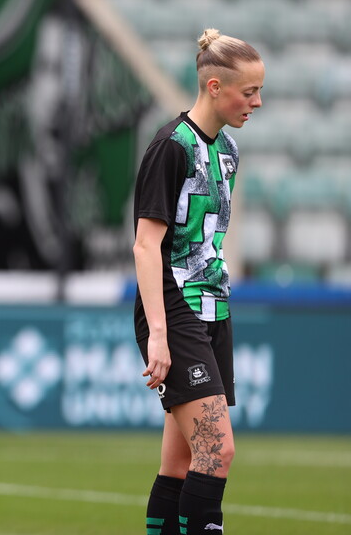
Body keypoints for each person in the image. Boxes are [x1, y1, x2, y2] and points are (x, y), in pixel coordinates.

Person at [133, 28, 263, 535]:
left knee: (181, 461)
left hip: (214, 309)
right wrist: (159, 334)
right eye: (248, 92)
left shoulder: (228, 149)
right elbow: (146, 246)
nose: (257, 102)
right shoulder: (171, 146)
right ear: (213, 87)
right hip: (175, 307)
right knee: (218, 448)